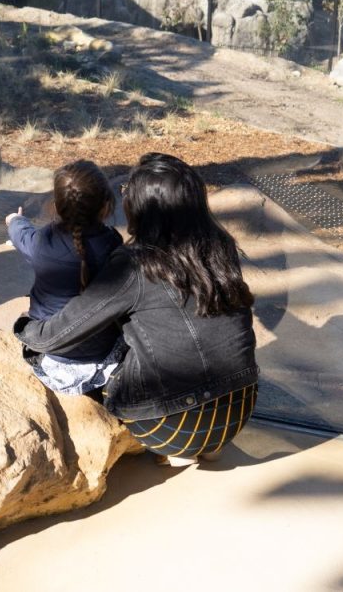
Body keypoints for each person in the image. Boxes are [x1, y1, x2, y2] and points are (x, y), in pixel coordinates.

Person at [15, 153, 258, 466]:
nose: (123, 196)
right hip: (240, 406)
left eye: (128, 190)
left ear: (143, 206)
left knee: (98, 356)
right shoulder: (219, 246)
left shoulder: (134, 264)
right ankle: (209, 446)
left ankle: (174, 451)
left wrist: (25, 327)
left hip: (167, 427)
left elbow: (61, 334)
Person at [5, 159, 123, 396]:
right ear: (106, 206)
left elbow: (21, 234)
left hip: (50, 351)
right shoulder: (112, 244)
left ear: (56, 206)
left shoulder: (42, 241)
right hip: (101, 352)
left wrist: (14, 220)